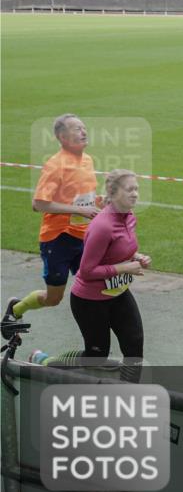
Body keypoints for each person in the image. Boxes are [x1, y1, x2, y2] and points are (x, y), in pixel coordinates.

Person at [30, 169, 151, 383]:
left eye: (137, 189)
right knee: (96, 356)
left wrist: (137, 256)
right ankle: (46, 361)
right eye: (129, 189)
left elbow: (120, 249)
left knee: (134, 346)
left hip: (118, 293)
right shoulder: (102, 226)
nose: (135, 194)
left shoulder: (130, 218)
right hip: (90, 301)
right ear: (113, 193)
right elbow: (86, 271)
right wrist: (125, 268)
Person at [3, 114, 99, 339]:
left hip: (84, 235)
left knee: (95, 282)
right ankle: (16, 309)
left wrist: (99, 202)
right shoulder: (56, 165)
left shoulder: (87, 160)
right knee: (54, 298)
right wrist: (79, 210)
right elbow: (39, 204)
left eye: (84, 127)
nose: (83, 132)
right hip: (58, 238)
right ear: (62, 137)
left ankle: (96, 336)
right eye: (77, 129)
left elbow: (82, 197)